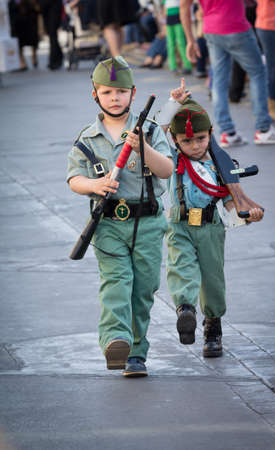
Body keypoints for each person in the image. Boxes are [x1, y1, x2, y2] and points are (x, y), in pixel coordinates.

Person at [67, 56, 173, 377]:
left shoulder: (150, 132)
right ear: (95, 95)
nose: (115, 98)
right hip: (109, 225)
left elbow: (168, 169)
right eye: (107, 92)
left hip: (149, 224)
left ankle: (136, 353)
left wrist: (143, 148)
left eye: (121, 92)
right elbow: (75, 179)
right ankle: (116, 340)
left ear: (133, 93)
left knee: (142, 288)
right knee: (116, 283)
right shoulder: (87, 138)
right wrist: (95, 184)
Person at [157, 78, 263, 357]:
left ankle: (212, 326)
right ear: (176, 140)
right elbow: (153, 133)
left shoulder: (220, 164)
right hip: (179, 225)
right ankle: (186, 311)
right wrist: (172, 105)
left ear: (211, 134)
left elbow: (230, 199)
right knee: (181, 269)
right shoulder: (171, 158)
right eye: (186, 140)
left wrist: (246, 214)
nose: (194, 145)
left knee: (213, 280)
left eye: (201, 138)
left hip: (211, 227)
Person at [179, 0, 275, 147]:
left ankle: (227, 132)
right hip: (235, 26)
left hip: (212, 29)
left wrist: (190, 40)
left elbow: (184, 6)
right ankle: (264, 129)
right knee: (258, 73)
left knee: (219, 80)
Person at [163, 0, 193, 75]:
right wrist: (164, 24)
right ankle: (173, 66)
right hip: (169, 19)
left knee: (181, 43)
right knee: (170, 44)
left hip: (178, 18)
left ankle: (187, 65)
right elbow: (164, 9)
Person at [8, 0, 40, 70]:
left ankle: (34, 55)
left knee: (33, 38)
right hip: (17, 18)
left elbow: (37, 8)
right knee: (19, 41)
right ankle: (22, 61)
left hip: (30, 16)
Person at [38, 0, 63, 70]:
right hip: (45, 9)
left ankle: (53, 60)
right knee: (51, 34)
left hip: (54, 8)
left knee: (52, 34)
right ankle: (58, 56)